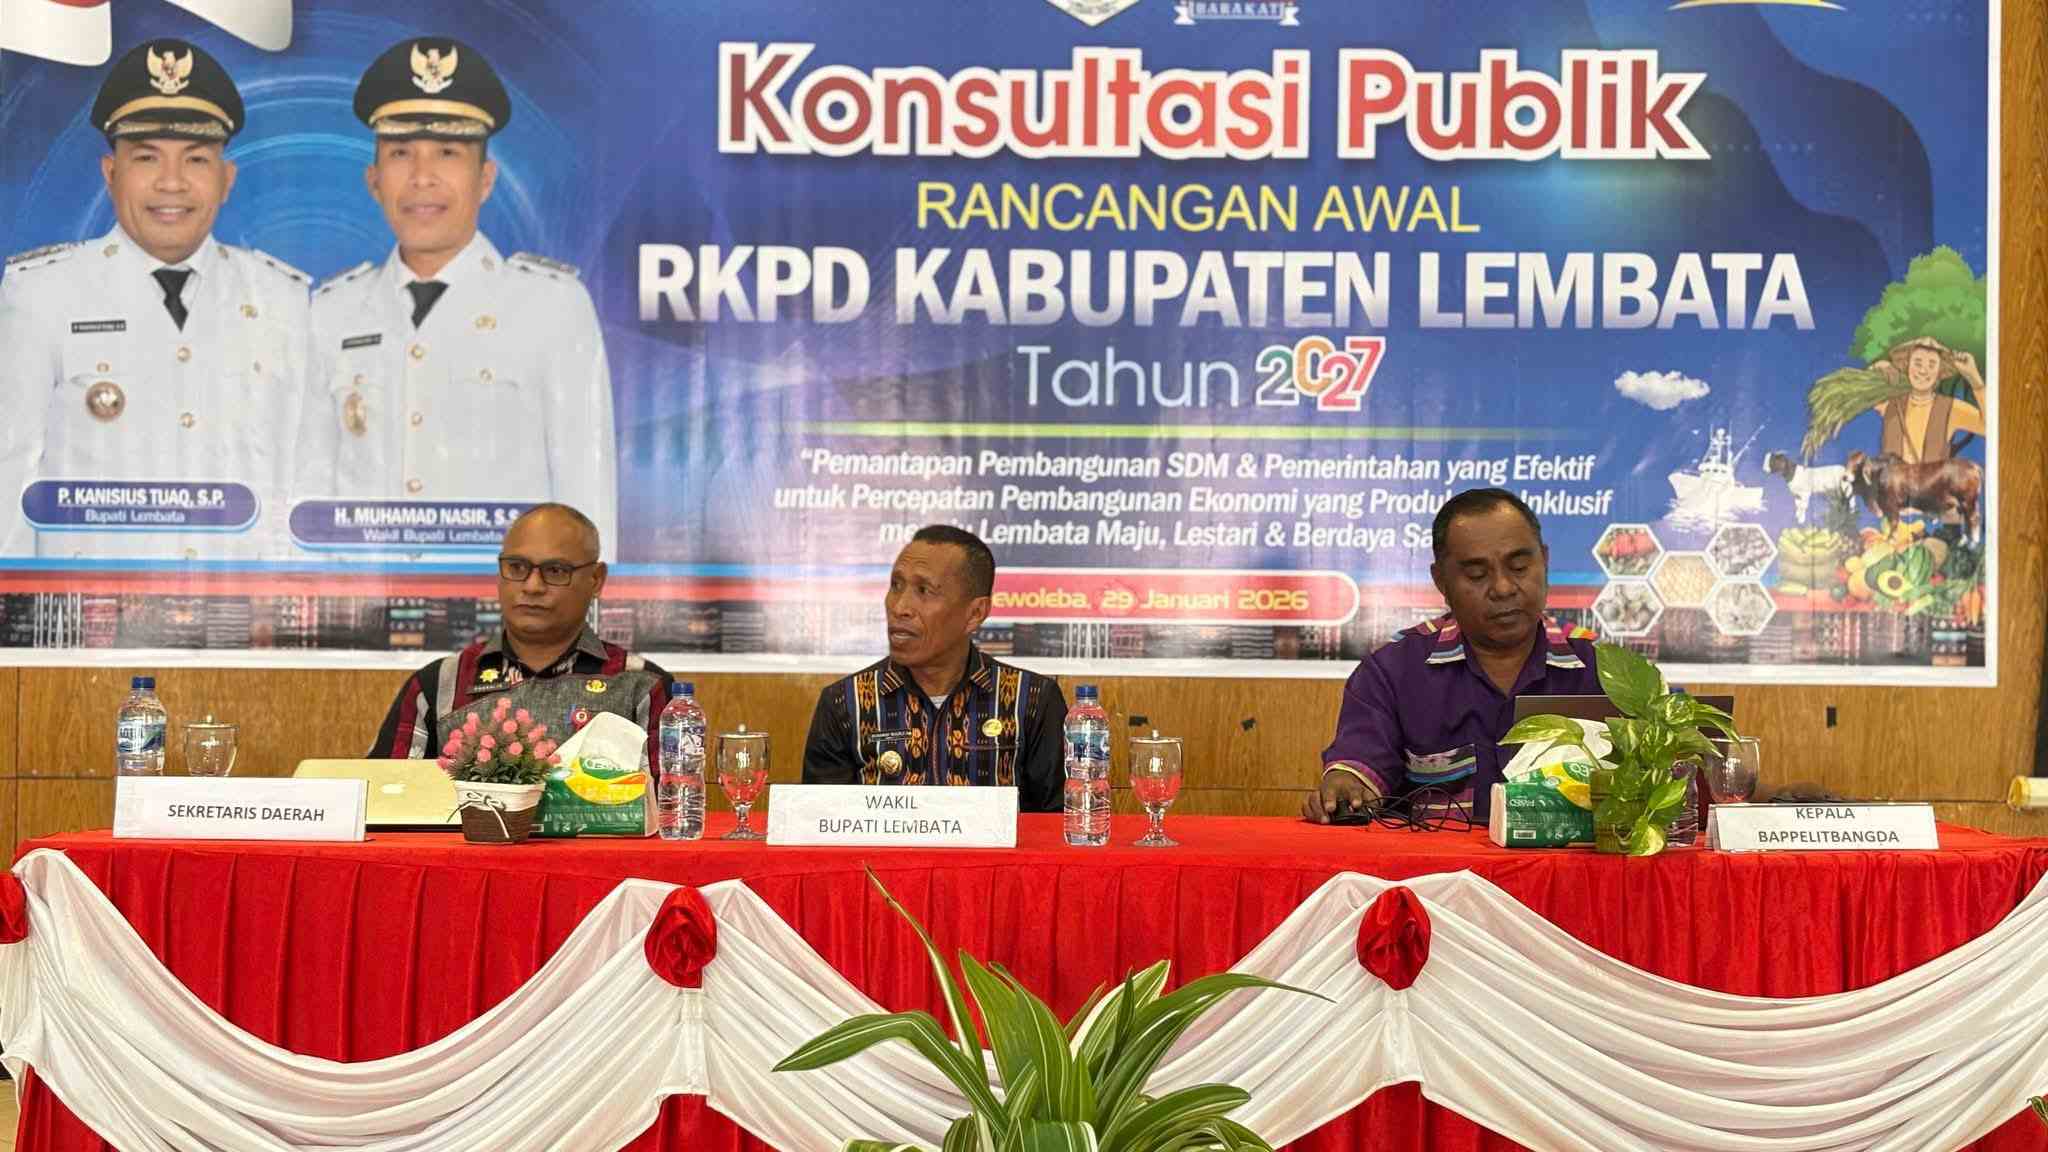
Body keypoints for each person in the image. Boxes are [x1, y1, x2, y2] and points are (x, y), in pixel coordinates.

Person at [296, 37, 617, 556]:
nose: (422, 178)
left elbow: (586, 502)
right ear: (374, 181)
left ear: (485, 179)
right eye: (401, 153)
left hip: (502, 602)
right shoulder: (332, 313)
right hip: (361, 599)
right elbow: (308, 503)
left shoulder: (551, 308)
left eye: (448, 153)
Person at [0, 39, 311, 559]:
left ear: (226, 179)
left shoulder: (283, 300)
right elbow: (7, 478)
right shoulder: (42, 294)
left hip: (243, 604)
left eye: (196, 159)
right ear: (110, 173)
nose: (171, 183)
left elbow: (304, 486)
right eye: (147, 157)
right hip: (90, 604)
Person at [1304, 488, 1601, 824]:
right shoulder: (1394, 670)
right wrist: (1346, 786)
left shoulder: (1601, 669)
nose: (1503, 588)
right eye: (1477, 575)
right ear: (1441, 581)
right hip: (1436, 859)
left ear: (1544, 561)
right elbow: (1360, 764)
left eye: (1519, 566)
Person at [370, 503, 666, 765]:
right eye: (517, 567)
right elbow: (387, 793)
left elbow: (671, 801)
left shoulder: (642, 687)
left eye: (555, 570)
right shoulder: (439, 684)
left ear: (596, 579)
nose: (532, 586)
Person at [803, 525, 1067, 811]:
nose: (900, 607)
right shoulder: (845, 703)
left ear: (975, 613)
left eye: (924, 590)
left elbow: (1058, 825)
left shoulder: (1032, 702)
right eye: (896, 585)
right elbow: (821, 824)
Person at [1869, 337, 1987, 465]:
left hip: (1935, 478)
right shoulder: (1891, 403)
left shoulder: (1951, 408)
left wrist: (1974, 378)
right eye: (1917, 363)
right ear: (1907, 366)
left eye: (1932, 365)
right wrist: (1878, 366)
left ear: (1939, 371)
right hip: (1889, 478)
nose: (1923, 371)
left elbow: (1990, 427)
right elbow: (1865, 391)